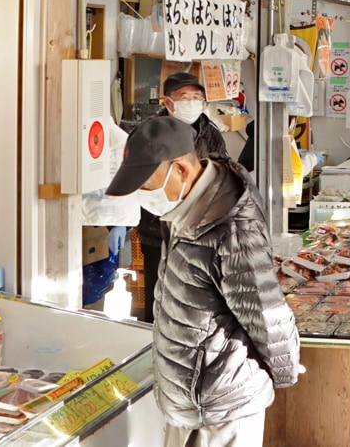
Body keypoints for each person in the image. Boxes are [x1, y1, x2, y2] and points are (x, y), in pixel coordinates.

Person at [106, 117, 300, 446]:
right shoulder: (186, 205)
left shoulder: (231, 227)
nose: (143, 196)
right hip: (189, 400)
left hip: (222, 405)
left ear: (181, 169)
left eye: (147, 185)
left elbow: (266, 313)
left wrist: (284, 371)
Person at [136, 72, 227, 323]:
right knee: (160, 294)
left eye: (197, 97)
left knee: (193, 296)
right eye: (185, 97)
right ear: (168, 101)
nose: (192, 102)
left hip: (200, 229)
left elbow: (222, 172)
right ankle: (152, 345)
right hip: (158, 228)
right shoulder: (150, 133)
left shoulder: (210, 131)